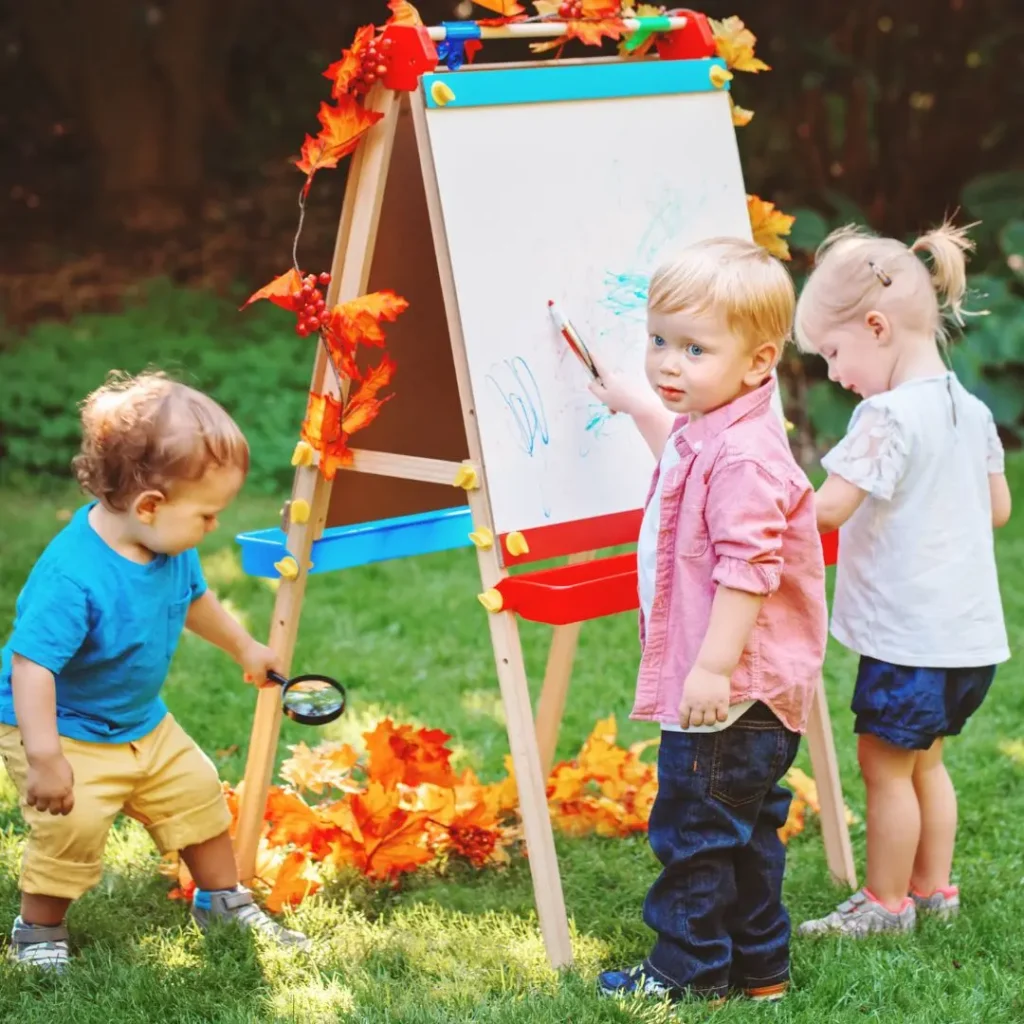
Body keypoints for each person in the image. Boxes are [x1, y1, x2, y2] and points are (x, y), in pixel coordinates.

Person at [0, 372, 308, 972]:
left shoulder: (170, 542)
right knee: (72, 823)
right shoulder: (73, 576)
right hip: (63, 728)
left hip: (141, 721)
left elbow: (193, 599)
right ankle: (38, 929)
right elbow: (31, 666)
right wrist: (44, 757)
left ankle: (223, 898)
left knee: (196, 794)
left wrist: (245, 647)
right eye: (209, 515)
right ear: (149, 505)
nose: (213, 526)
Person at [588, 238, 828, 1003]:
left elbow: (746, 572)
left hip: (730, 697)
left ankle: (684, 978)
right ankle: (761, 970)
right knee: (746, 836)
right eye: (658, 339)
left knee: (694, 838)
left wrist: (713, 668)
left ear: (758, 363)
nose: (667, 363)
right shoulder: (713, 432)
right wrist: (635, 404)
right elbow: (680, 463)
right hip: (749, 700)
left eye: (693, 349)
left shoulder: (746, 460)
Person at [794, 223, 1011, 937]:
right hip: (966, 640)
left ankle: (883, 905)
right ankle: (932, 892)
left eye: (832, 351)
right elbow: (1000, 510)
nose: (833, 372)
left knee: (886, 771)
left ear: (876, 327)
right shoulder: (969, 408)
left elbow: (828, 510)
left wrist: (765, 497)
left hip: (907, 640)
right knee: (927, 766)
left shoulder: (884, 416)